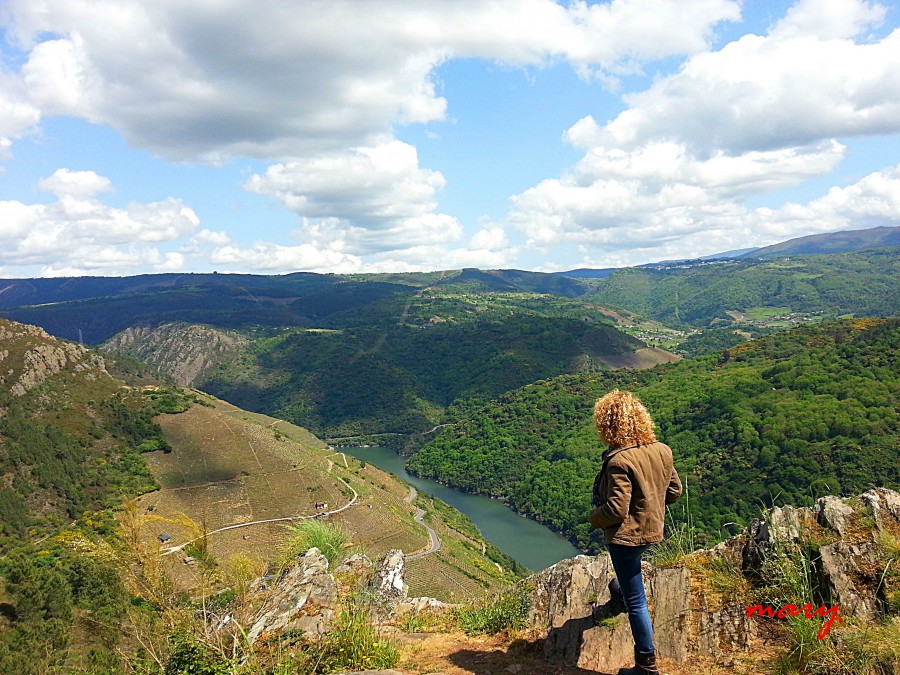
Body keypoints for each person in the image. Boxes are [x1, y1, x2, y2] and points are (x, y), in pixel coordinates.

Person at [589, 389, 683, 675]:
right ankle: (620, 588)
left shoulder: (619, 461)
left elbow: (616, 510)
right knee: (628, 580)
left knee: (637, 601)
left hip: (626, 537)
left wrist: (594, 518)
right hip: (652, 529)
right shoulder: (661, 450)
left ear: (608, 426)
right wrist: (650, 503)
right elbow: (675, 491)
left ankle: (646, 664)